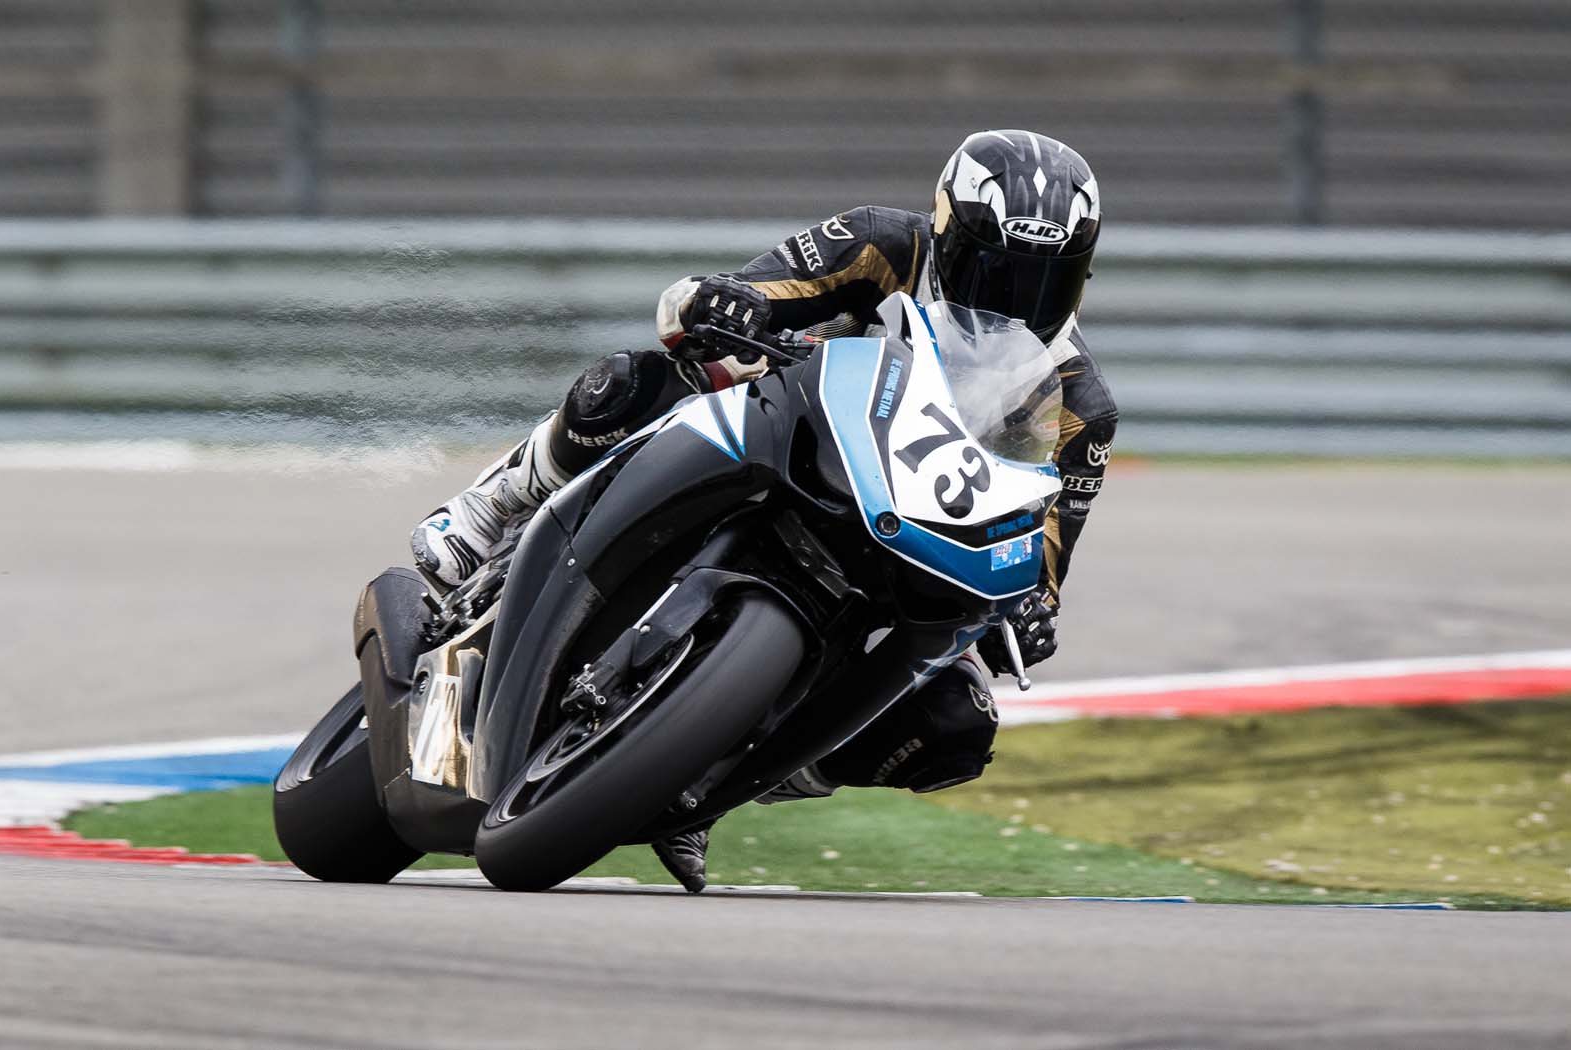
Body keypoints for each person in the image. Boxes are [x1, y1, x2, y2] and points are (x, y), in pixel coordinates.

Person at [410, 130, 1118, 891]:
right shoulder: (882, 244)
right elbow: (735, 296)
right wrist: (728, 304)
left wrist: (1030, 607)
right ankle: (493, 506)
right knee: (635, 381)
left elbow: (1041, 558)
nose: (1013, 296)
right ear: (946, 236)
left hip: (901, 545)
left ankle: (710, 786)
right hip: (789, 436)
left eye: (1043, 280)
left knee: (955, 724)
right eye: (995, 268)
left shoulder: (1081, 407)